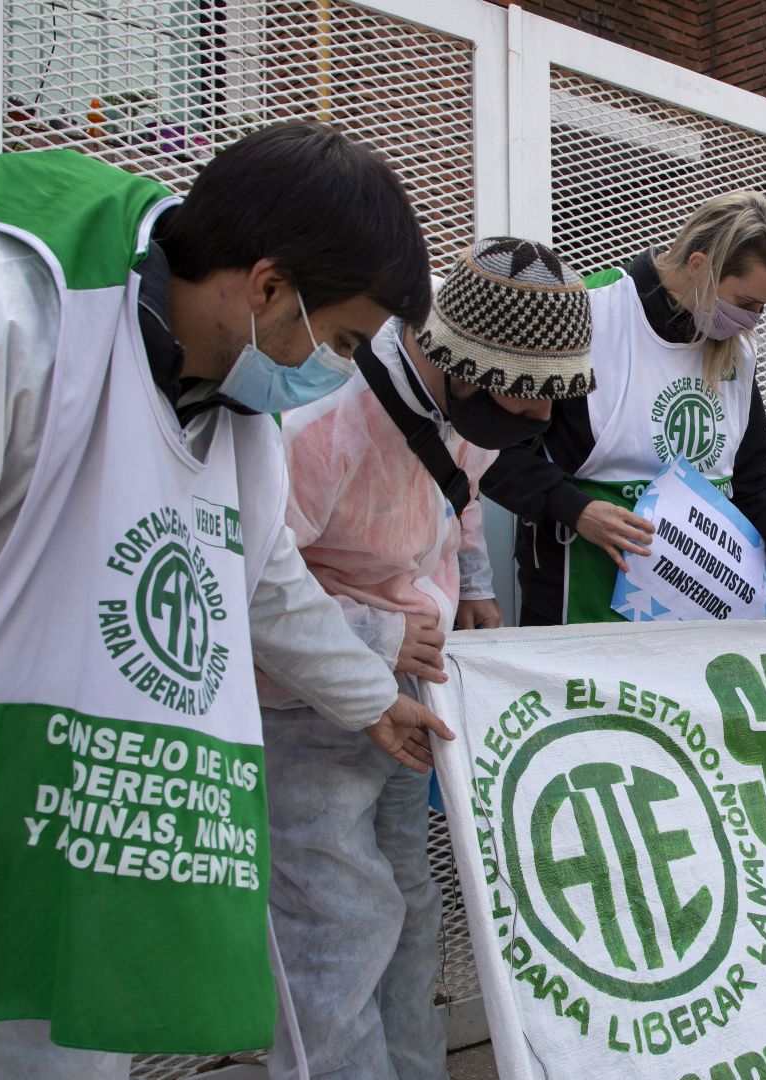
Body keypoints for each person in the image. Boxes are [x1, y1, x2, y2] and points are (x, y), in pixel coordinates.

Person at [0, 125, 452, 1075]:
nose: (337, 370)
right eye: (339, 339)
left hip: (43, 794)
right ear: (265, 287)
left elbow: (257, 577)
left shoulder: (230, 413)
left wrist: (368, 695)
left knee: (56, 1043)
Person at [262, 237, 591, 1080]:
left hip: (411, 687)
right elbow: (243, 579)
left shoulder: (466, 408)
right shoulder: (317, 421)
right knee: (335, 922)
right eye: (523, 408)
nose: (538, 425)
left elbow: (463, 488)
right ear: (471, 371)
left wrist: (472, 583)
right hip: (307, 707)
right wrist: (374, 637)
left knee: (409, 904)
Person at [482, 191, 766, 639]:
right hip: (577, 592)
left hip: (694, 605)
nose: (754, 321)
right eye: (746, 302)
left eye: (762, 308)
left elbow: (753, 478)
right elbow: (493, 452)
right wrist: (576, 509)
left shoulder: (739, 352)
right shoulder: (590, 313)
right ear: (698, 266)